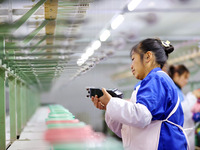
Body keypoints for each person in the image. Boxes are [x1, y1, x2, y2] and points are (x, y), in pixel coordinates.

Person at [91, 38, 189, 150]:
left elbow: (141, 116)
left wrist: (112, 102)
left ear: (148, 56)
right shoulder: (147, 83)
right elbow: (128, 130)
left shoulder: (157, 79)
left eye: (133, 59)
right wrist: (110, 106)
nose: (131, 66)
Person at [168, 64, 200, 150]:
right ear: (176, 75)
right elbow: (179, 110)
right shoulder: (172, 90)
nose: (186, 81)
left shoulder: (179, 91)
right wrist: (193, 96)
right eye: (185, 77)